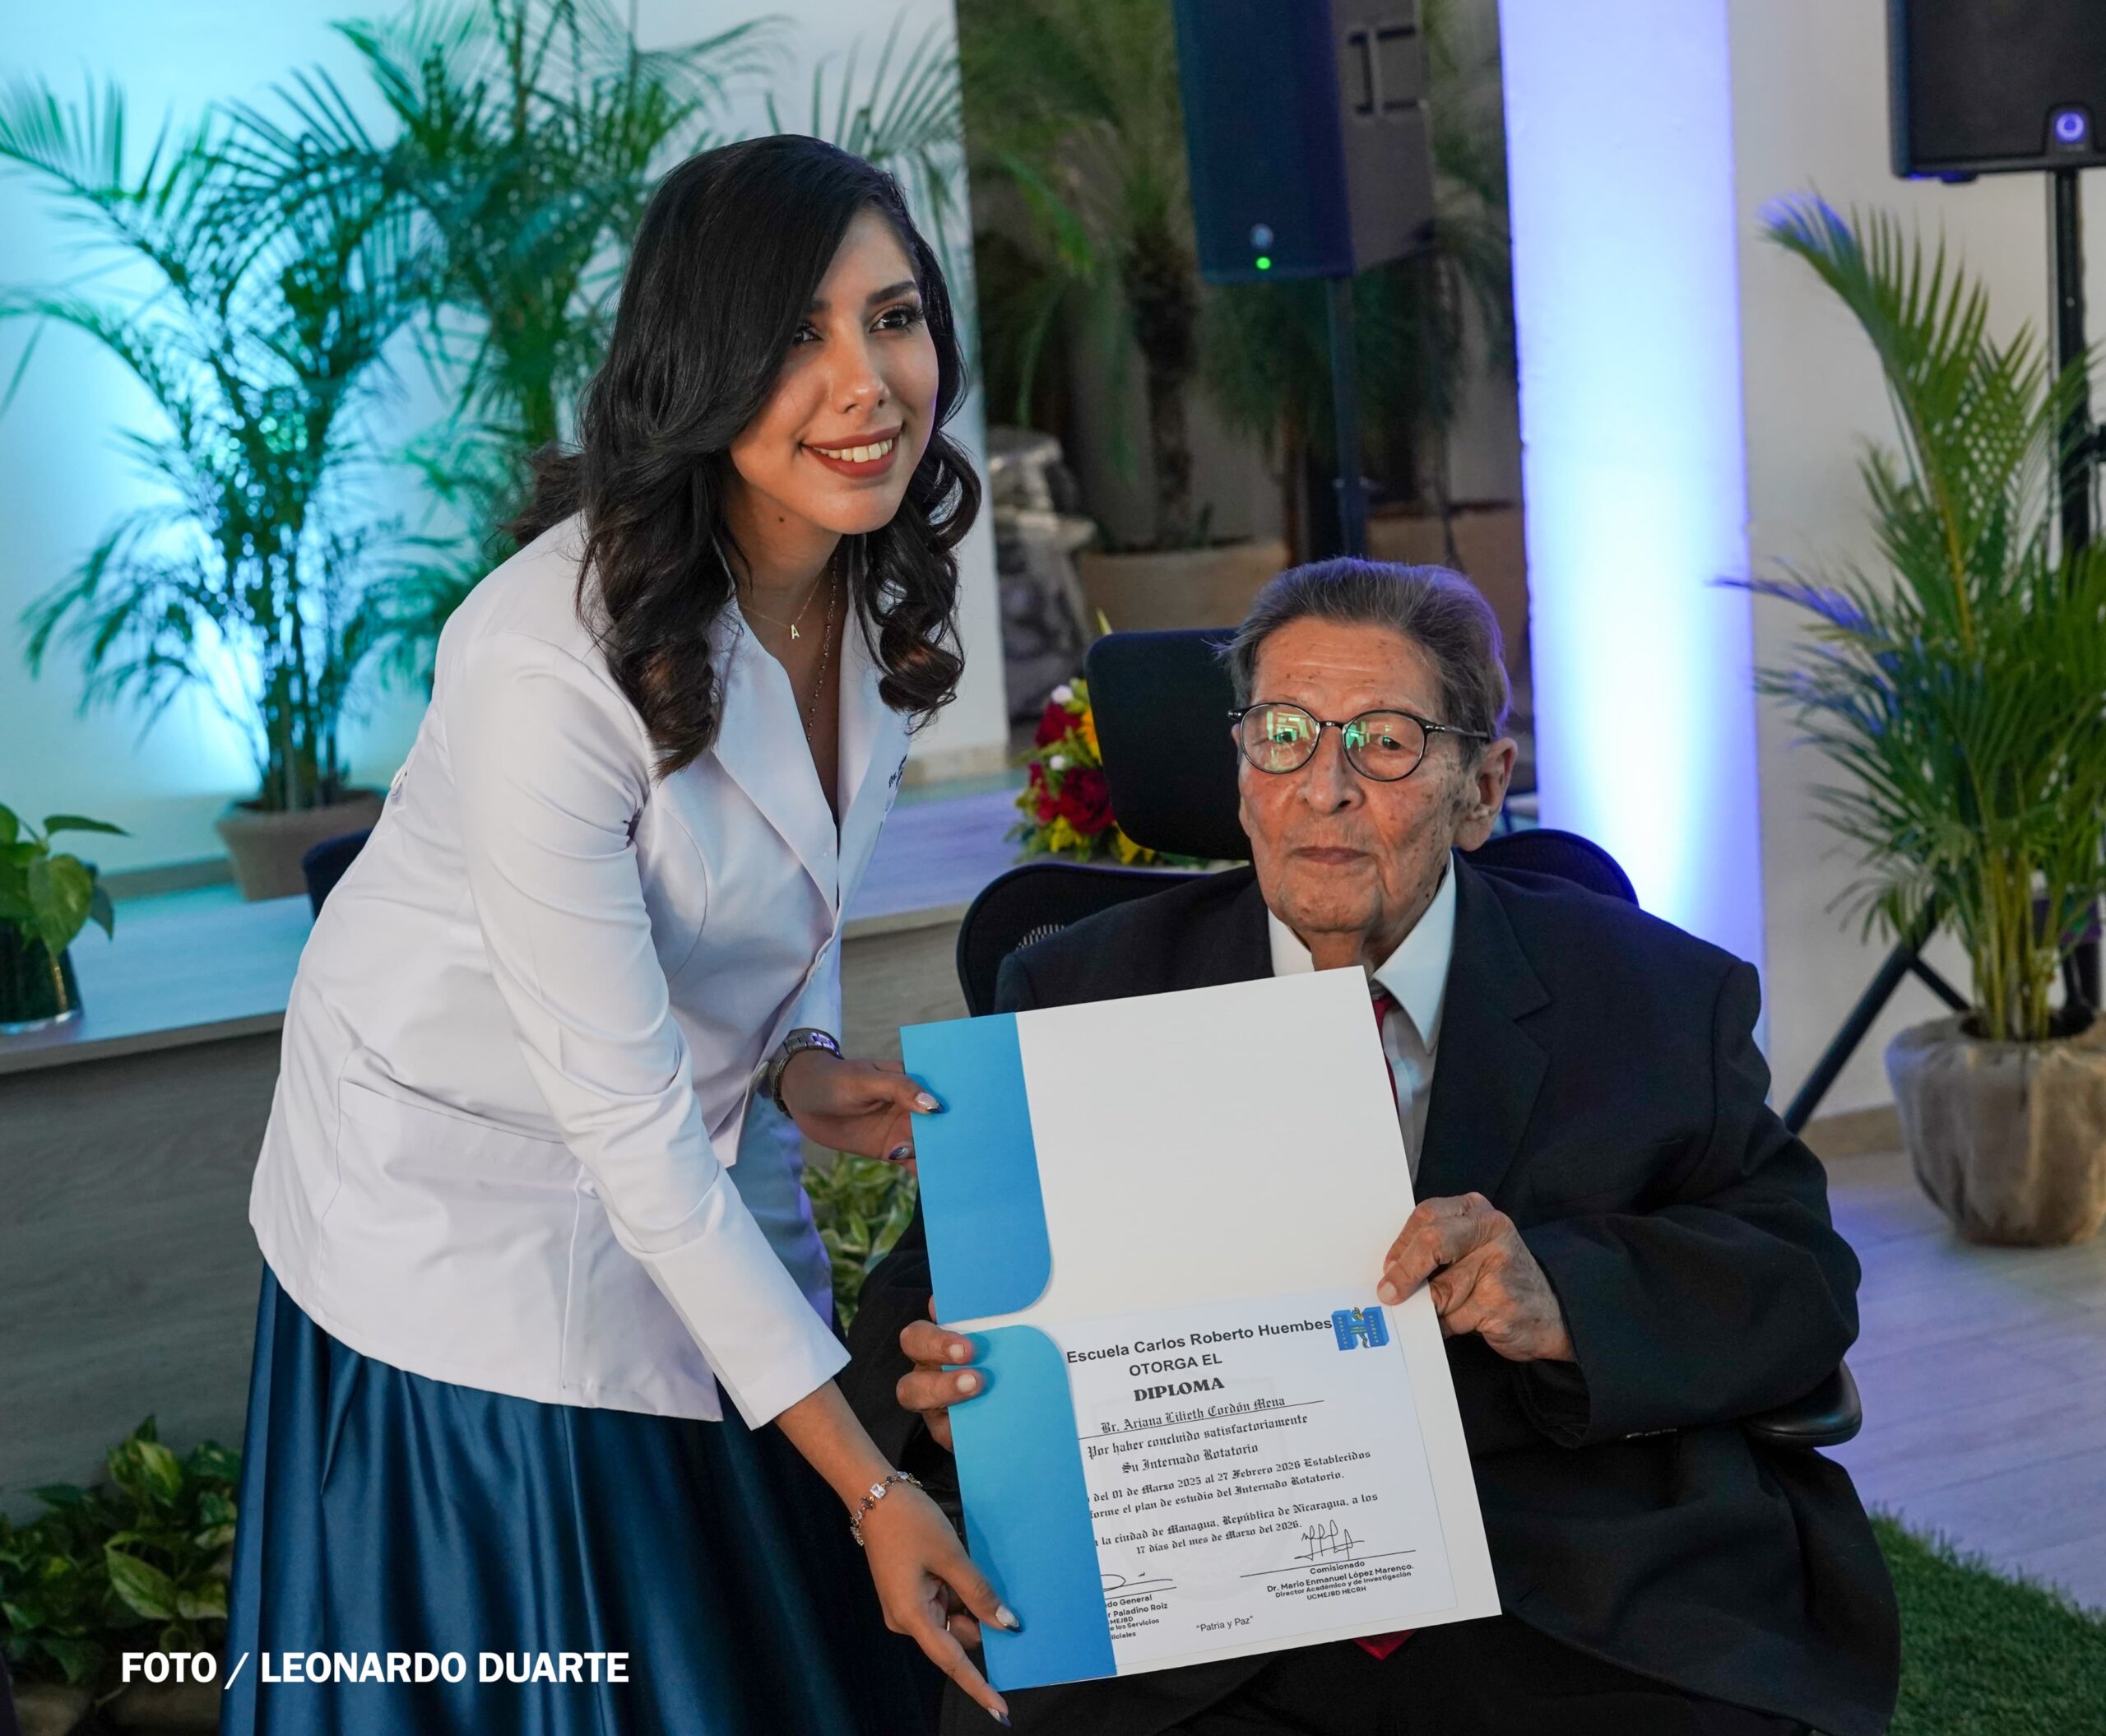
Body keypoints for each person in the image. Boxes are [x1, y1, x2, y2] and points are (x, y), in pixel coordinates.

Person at [222, 136, 1016, 1736]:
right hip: (459, 1217)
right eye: (797, 334)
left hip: (675, 1166)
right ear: (699, 362)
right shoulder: (542, 660)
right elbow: (630, 1139)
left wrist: (791, 1061)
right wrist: (874, 1488)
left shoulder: (862, 578)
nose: (867, 381)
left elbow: (773, 879)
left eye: (894, 317)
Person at [844, 559, 1901, 1736]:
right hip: (1199, 1609)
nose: (1325, 788)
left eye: (1387, 741)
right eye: (1284, 734)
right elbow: (912, 1295)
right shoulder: (1077, 992)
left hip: (1560, 1588)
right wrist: (947, 1380)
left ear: (1482, 785)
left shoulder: (1656, 994)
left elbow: (1801, 1277)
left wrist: (1566, 1294)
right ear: (1241, 768)